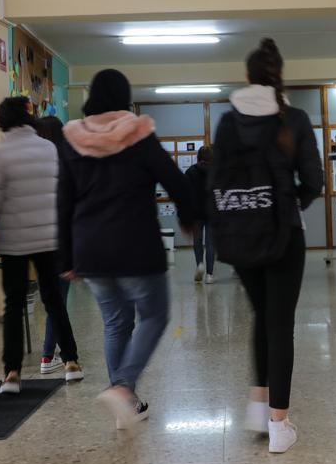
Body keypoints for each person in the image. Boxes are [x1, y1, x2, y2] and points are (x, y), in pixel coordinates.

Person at [59, 69, 199, 428]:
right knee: (154, 316)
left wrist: (66, 256)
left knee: (115, 324)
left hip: (90, 249)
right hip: (135, 244)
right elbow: (176, 181)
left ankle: (126, 405)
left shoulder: (72, 141)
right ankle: (123, 389)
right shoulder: (139, 135)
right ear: (125, 97)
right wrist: (189, 217)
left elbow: (63, 201)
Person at [212, 39, 323, 453]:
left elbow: (214, 178)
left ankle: (258, 409)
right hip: (283, 236)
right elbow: (314, 181)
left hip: (240, 236)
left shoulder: (226, 122)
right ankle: (279, 425)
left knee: (262, 316)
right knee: (281, 325)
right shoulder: (292, 119)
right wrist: (290, 201)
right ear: (280, 76)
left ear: (246, 77)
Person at [0, 98, 83, 393]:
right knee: (53, 300)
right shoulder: (49, 148)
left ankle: (12, 373)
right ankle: (71, 362)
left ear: (1, 121)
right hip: (48, 237)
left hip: (13, 239)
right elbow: (61, 190)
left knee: (13, 305)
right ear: (30, 120)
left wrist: (8, 204)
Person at [34, 116, 75, 374]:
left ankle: (49, 355)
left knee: (51, 300)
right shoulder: (67, 164)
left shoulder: (32, 165)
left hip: (37, 240)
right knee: (58, 300)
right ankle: (50, 356)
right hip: (62, 240)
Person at [184, 146, 216, 284]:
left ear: (198, 156)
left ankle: (199, 265)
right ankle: (209, 275)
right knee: (210, 244)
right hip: (211, 213)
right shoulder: (215, 171)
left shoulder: (190, 171)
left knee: (197, 243)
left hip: (196, 214)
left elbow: (185, 192)